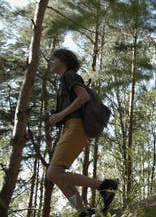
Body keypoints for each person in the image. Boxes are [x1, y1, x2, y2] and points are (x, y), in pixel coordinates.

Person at [47, 49, 117, 216]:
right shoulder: (64, 80)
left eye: (53, 59)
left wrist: (60, 115)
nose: (49, 62)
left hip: (76, 126)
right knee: (56, 175)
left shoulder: (69, 76)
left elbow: (83, 97)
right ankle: (84, 212)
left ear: (63, 60)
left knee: (53, 173)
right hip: (70, 127)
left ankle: (104, 186)